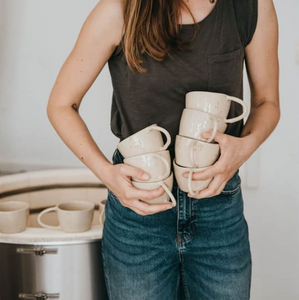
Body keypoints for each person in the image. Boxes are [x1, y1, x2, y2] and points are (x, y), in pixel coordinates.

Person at [46, 0, 280, 298]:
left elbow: (266, 103)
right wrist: (107, 174)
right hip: (139, 211)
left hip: (218, 206)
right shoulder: (119, 10)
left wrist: (245, 147)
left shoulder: (252, 6)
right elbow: (61, 105)